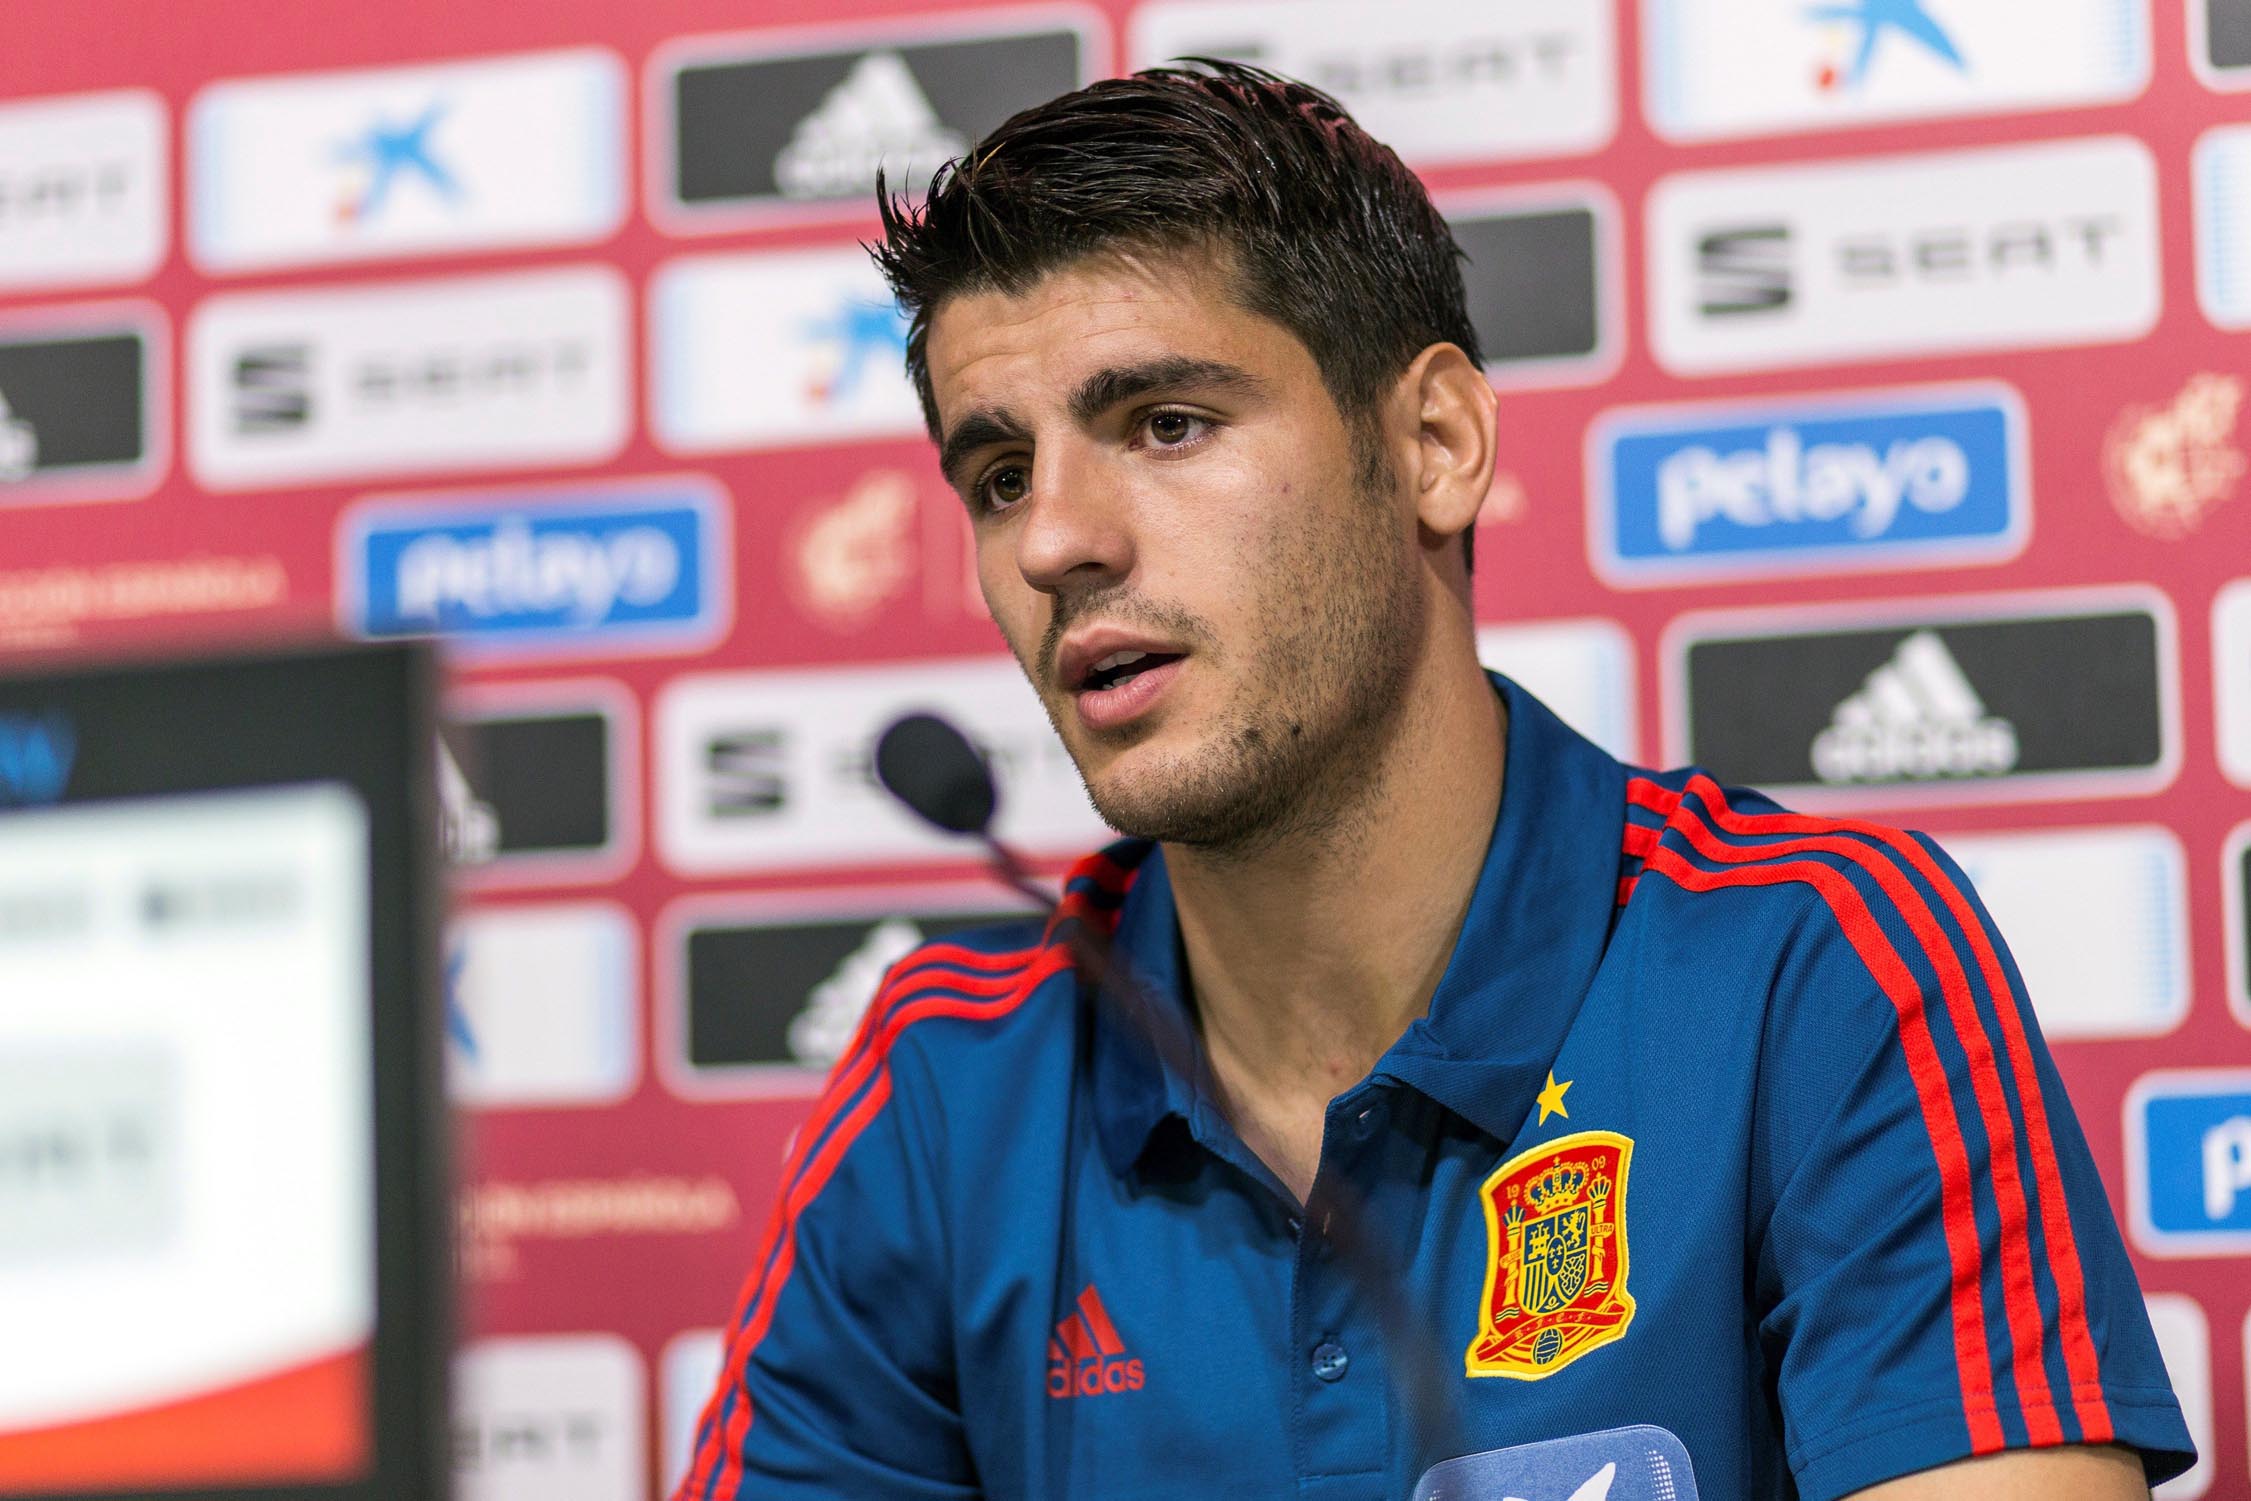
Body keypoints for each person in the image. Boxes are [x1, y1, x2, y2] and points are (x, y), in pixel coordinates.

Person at [676, 62, 2194, 1501]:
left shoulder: (1816, 966)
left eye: (1167, 424)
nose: (1055, 540)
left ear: (1436, 443)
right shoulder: (947, 1082)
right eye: (999, 472)